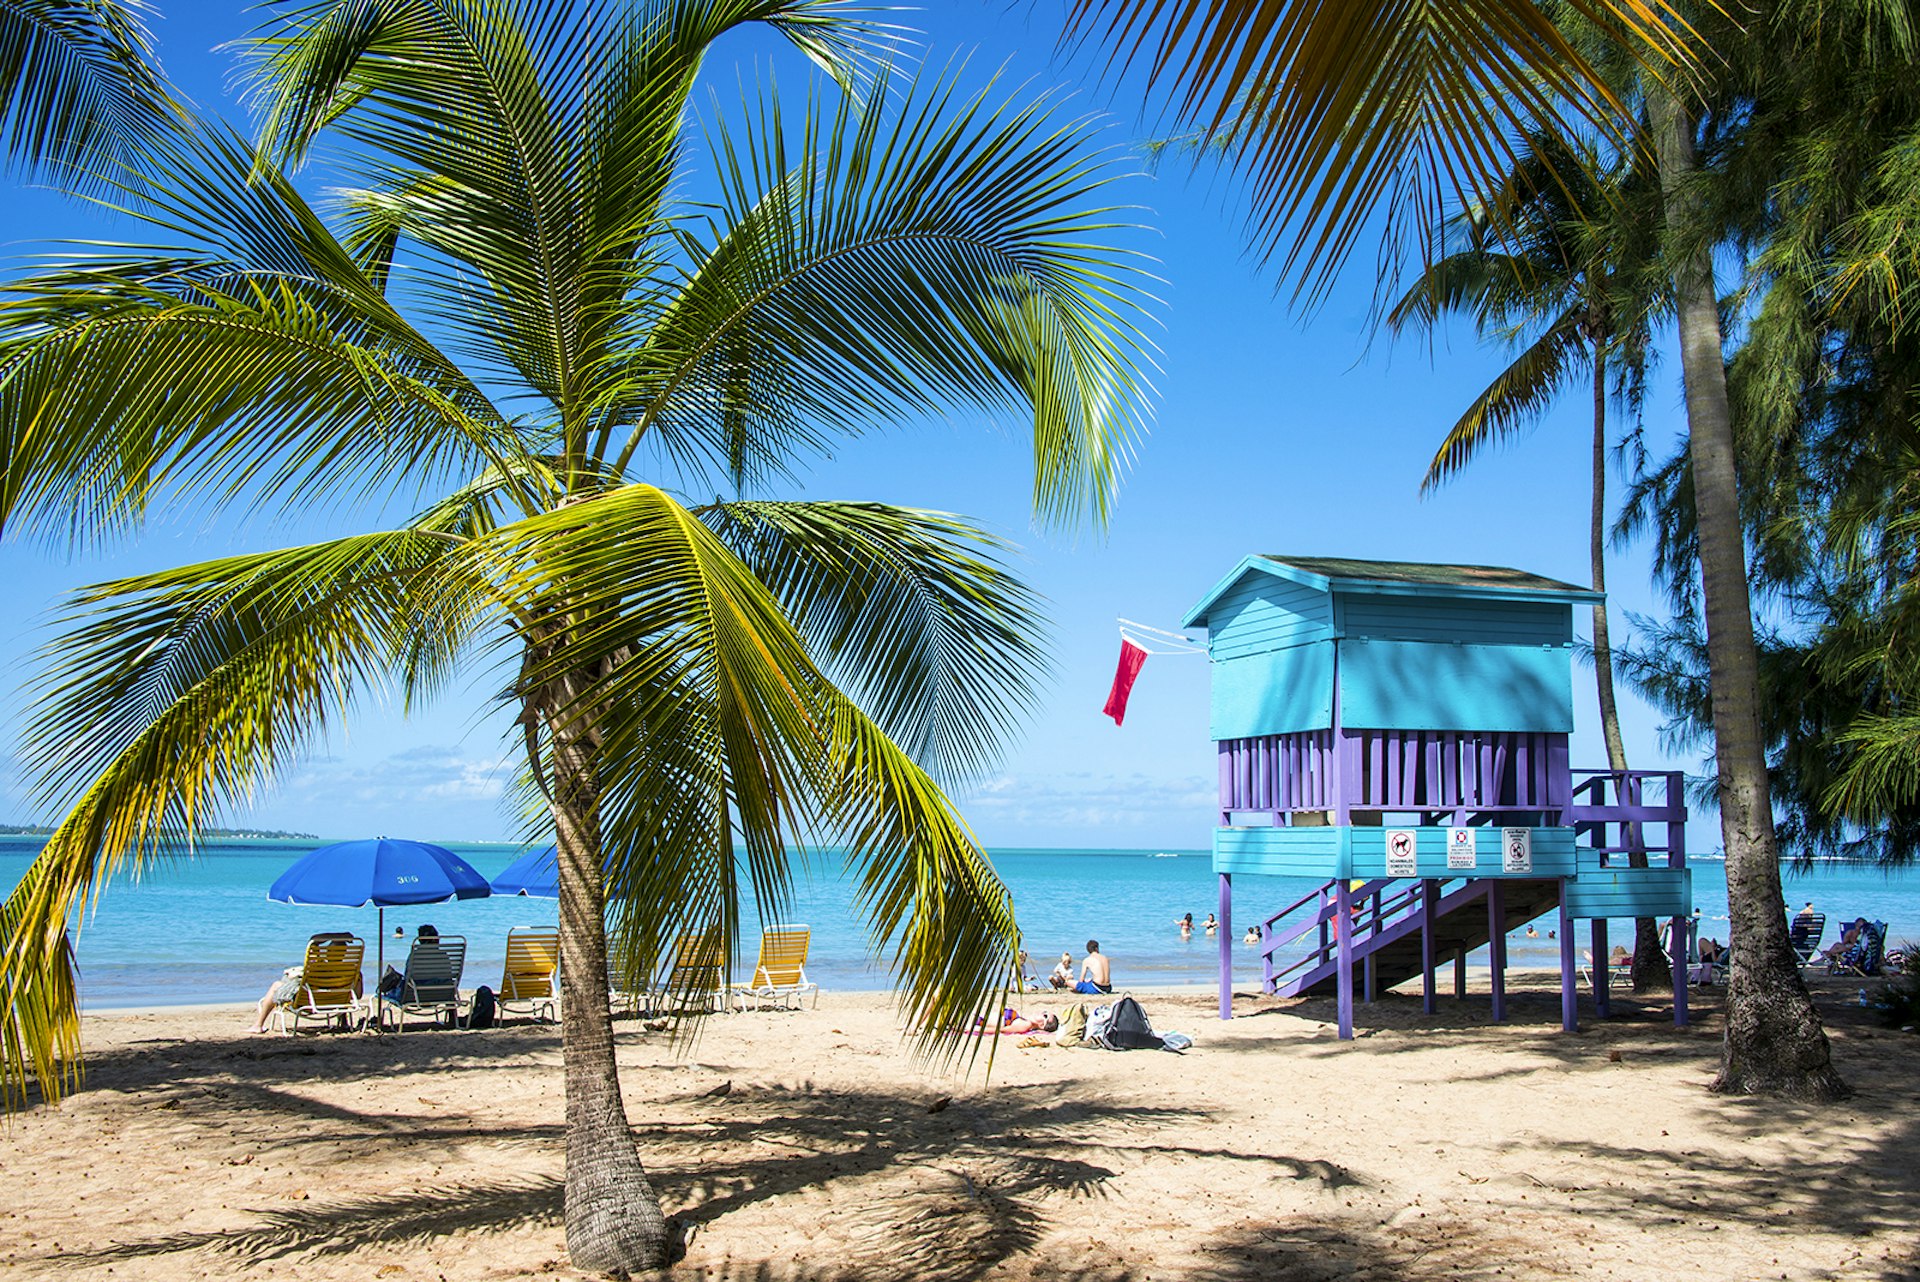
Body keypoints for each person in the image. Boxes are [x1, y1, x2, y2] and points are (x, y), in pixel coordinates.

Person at [250, 966, 305, 1034]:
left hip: (302, 1004)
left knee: (276, 985)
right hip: (318, 1004)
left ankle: (258, 1025)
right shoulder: (318, 972)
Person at [970, 1008, 1060, 1035]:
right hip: (977, 1018)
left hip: (976, 1022)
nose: (1041, 1012)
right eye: (1044, 1011)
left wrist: (976, 1029)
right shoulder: (1025, 1021)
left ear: (1042, 1025)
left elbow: (1001, 1030)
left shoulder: (1026, 1025)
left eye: (1045, 1016)